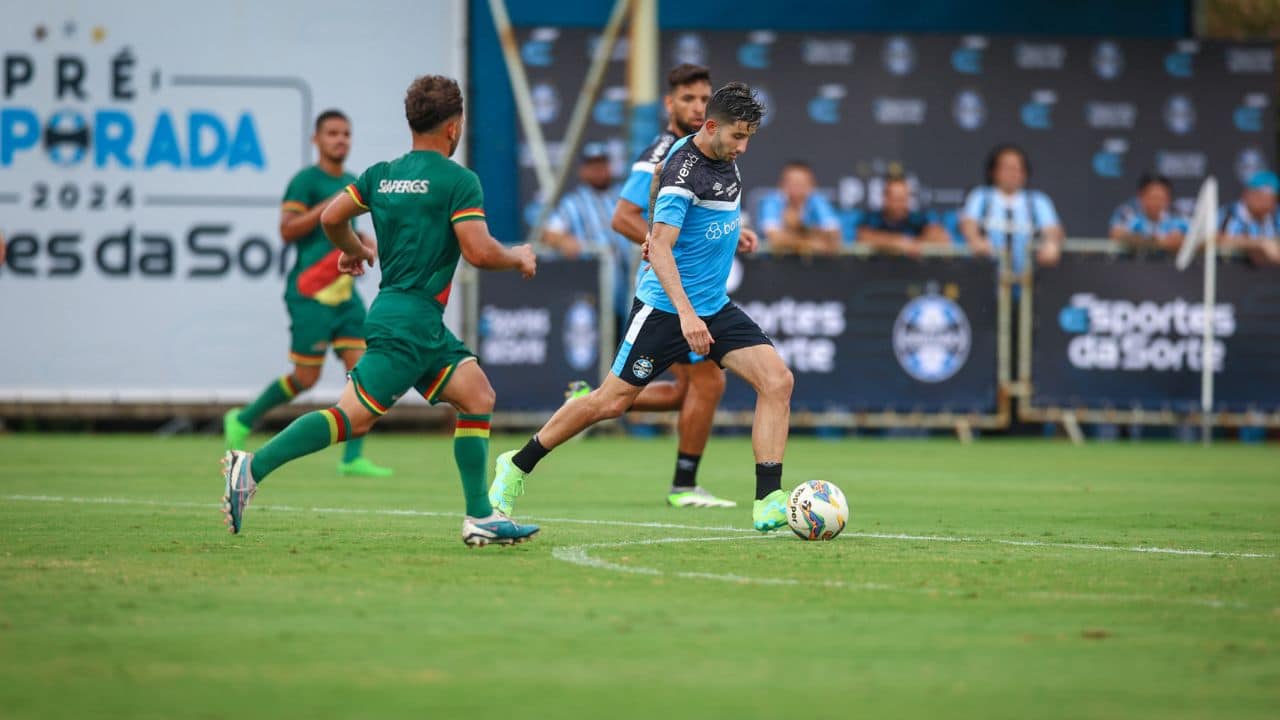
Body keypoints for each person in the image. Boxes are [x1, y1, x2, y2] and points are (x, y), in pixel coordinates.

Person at [221, 75, 540, 547]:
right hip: (408, 325)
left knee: (477, 395)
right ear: (454, 128)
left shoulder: (380, 175)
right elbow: (477, 251)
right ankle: (251, 467)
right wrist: (517, 256)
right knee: (352, 418)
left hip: (410, 319)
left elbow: (332, 218)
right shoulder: (458, 180)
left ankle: (481, 517)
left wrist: (351, 249)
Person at [491, 82, 796, 533]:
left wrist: (738, 231)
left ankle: (768, 500)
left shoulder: (725, 158)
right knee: (610, 402)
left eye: (749, 136)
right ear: (712, 127)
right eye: (737, 136)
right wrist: (688, 316)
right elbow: (661, 250)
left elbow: (710, 220)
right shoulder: (682, 174)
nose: (743, 146)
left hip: (713, 304)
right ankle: (515, 466)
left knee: (777, 380)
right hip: (667, 309)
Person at [222, 110, 391, 478]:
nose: (340, 140)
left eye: (346, 133)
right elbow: (287, 230)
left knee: (365, 371)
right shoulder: (305, 181)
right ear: (316, 139)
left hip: (345, 295)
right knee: (305, 378)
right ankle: (243, 418)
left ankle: (352, 458)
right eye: (332, 133)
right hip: (309, 293)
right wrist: (327, 208)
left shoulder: (351, 180)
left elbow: (345, 232)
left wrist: (365, 241)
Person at [608, 63, 737, 509]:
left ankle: (594, 400)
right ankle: (683, 485)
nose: (698, 107)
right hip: (667, 293)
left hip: (686, 292)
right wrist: (658, 240)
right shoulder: (663, 153)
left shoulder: (700, 152)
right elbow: (622, 215)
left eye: (704, 99)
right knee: (705, 384)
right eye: (688, 99)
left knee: (694, 387)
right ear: (670, 104)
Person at [542, 142, 634, 339]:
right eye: (592, 166)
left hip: (631, 286)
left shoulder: (624, 195)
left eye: (602, 165)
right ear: (583, 171)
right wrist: (565, 241)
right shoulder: (573, 202)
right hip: (596, 292)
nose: (598, 171)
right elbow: (550, 233)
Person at [959, 144, 1064, 271]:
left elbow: (1052, 229)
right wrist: (975, 239)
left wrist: (1052, 244)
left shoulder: (1038, 201)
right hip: (985, 277)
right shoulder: (981, 196)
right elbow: (969, 223)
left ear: (1025, 173)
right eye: (1006, 168)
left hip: (1028, 278)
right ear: (993, 171)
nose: (1012, 173)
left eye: (1017, 168)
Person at [758, 161, 842, 254]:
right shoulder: (772, 202)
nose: (796, 187)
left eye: (801, 183)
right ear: (781, 184)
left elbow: (834, 238)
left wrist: (797, 230)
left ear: (811, 185)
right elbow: (774, 239)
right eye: (792, 182)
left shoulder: (818, 201)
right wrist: (813, 240)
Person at [856, 177, 950, 256]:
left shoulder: (917, 218)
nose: (900, 204)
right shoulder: (873, 218)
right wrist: (896, 242)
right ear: (886, 198)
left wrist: (915, 243)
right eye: (896, 199)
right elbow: (863, 236)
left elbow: (941, 237)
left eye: (903, 198)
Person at [1108, 173, 1187, 255]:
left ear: (1169, 199)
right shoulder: (1127, 211)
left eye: (1161, 198)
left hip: (1167, 265)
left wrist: (1181, 240)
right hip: (1131, 264)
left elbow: (1195, 239)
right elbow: (1116, 234)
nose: (1157, 203)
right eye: (1153, 197)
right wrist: (1153, 242)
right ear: (1141, 196)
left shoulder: (1177, 213)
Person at [1221, 170, 1280, 266]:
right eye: (1259, 197)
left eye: (1270, 199)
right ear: (1247, 194)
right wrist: (1256, 244)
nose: (1264, 204)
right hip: (1229, 273)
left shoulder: (1277, 217)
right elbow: (1211, 239)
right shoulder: (1226, 215)